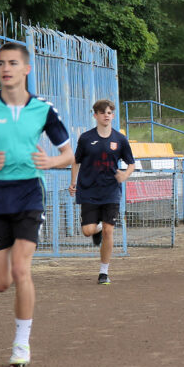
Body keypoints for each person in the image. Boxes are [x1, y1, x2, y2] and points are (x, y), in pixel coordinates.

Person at [0, 41, 74, 367]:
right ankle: (16, 313)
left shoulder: (43, 109)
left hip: (28, 194)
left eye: (12, 63)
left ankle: (21, 343)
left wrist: (51, 162)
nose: (5, 69)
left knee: (22, 269)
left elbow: (68, 152)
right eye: (0, 63)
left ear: (26, 69)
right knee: (1, 283)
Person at [69, 100, 135, 285]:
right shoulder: (85, 138)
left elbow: (131, 164)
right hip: (89, 189)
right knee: (88, 231)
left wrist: (125, 175)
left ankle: (103, 272)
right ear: (95, 115)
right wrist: (73, 182)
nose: (106, 115)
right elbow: (76, 161)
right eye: (102, 112)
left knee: (109, 230)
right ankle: (96, 227)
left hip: (111, 191)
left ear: (113, 115)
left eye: (109, 112)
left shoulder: (120, 139)